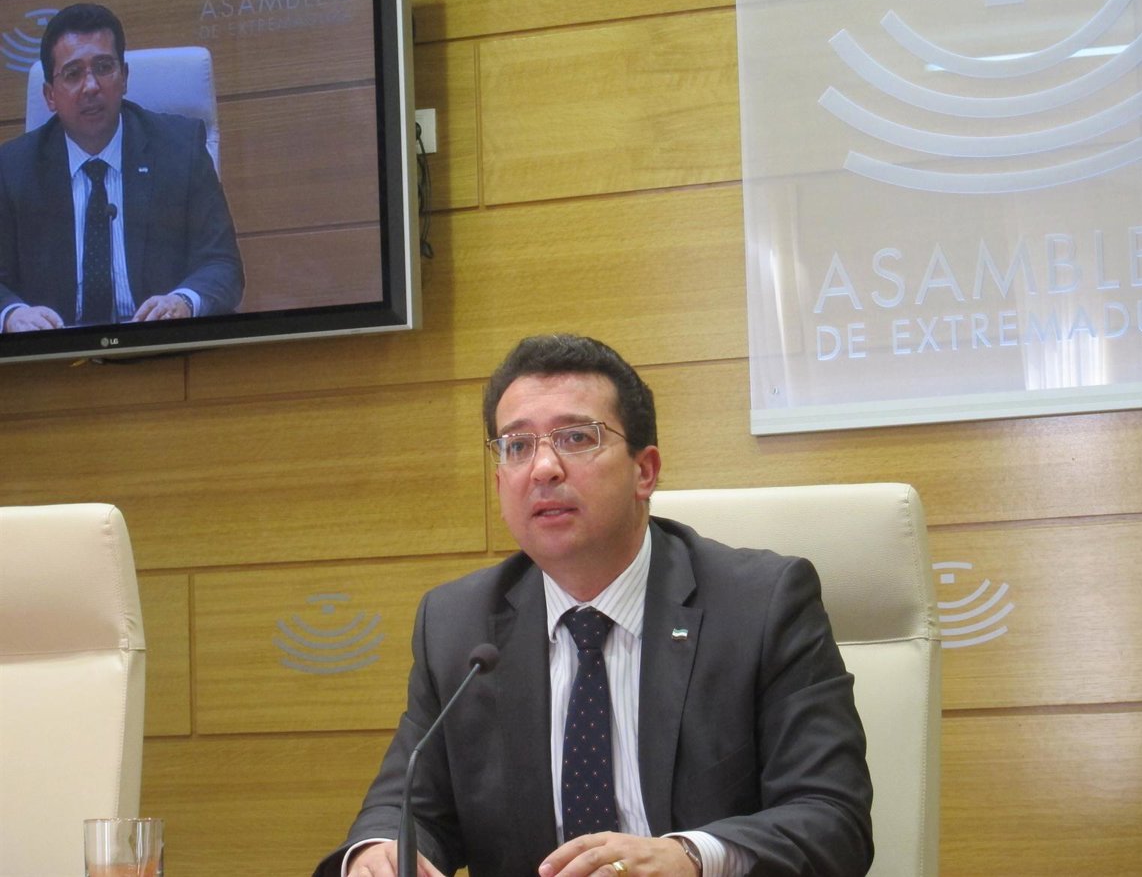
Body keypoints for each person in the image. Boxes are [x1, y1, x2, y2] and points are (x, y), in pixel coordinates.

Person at [315, 334, 873, 877]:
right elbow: (409, 807)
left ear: (644, 471)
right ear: (500, 480)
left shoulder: (761, 604)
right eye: (517, 446)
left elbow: (832, 819)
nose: (543, 468)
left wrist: (691, 857)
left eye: (576, 438)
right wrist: (378, 854)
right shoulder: (457, 625)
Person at [0, 2, 243, 333]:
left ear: (124, 77)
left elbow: (222, 264)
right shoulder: (13, 168)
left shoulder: (180, 149)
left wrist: (184, 301)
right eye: (73, 74)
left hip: (160, 343)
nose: (91, 86)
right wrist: (11, 313)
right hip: (60, 353)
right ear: (50, 95)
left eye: (103, 67)